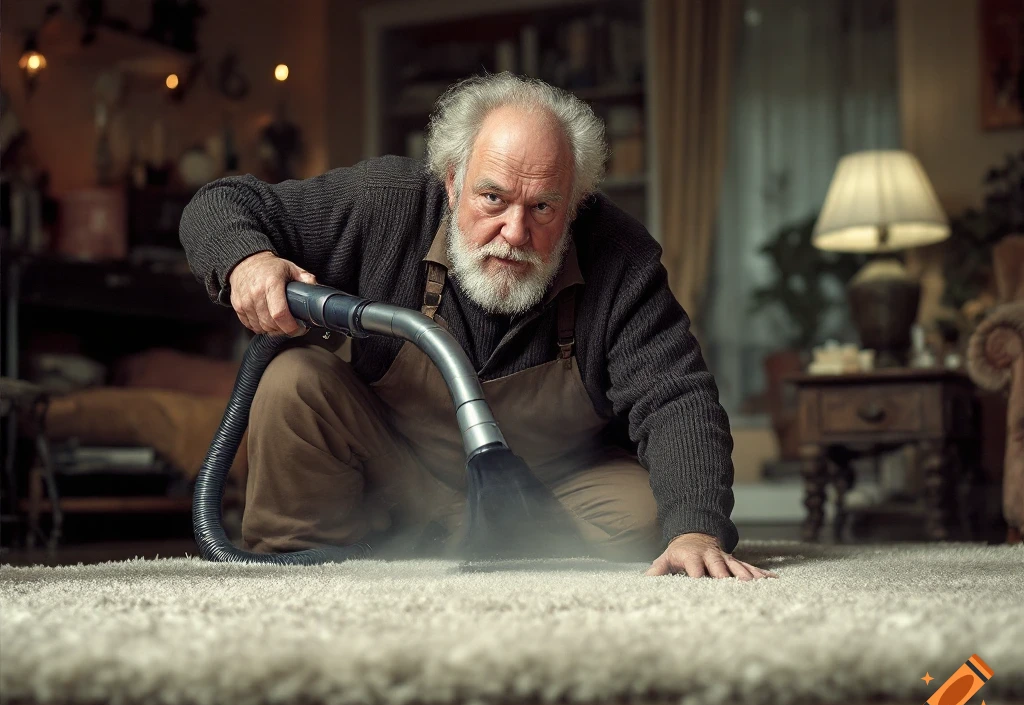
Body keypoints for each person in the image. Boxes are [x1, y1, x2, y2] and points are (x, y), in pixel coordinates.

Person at [180, 72, 775, 580]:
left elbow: (676, 397)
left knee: (648, 514)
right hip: (392, 475)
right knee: (292, 380)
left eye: (543, 207)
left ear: (574, 204)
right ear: (451, 181)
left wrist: (695, 529)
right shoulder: (383, 203)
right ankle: (299, 563)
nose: (515, 232)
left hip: (542, 495)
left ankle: (462, 548)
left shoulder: (620, 257)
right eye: (493, 198)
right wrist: (246, 260)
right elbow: (220, 202)